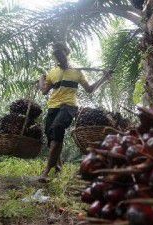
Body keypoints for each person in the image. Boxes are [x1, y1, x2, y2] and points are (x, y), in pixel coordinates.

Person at [38, 43, 112, 182]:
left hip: (69, 106)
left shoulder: (77, 72)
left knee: (57, 128)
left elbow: (89, 89)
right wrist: (42, 80)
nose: (59, 56)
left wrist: (104, 77)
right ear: (55, 57)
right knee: (51, 137)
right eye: (56, 55)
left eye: (61, 53)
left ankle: (46, 171)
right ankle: (59, 164)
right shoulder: (52, 73)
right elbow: (44, 91)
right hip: (53, 107)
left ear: (67, 53)